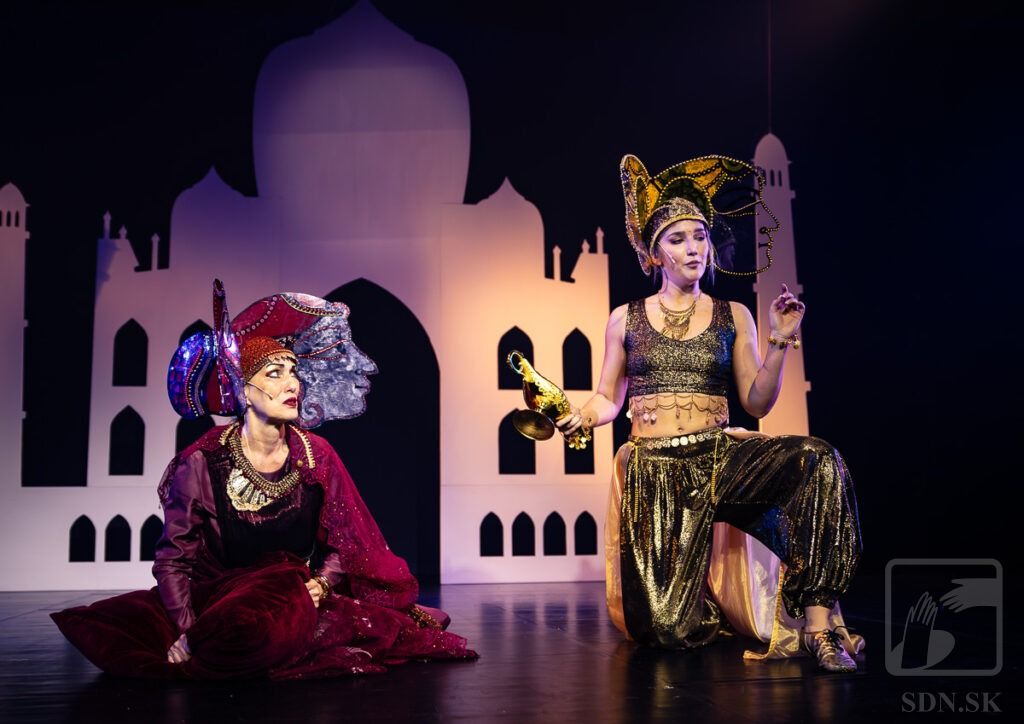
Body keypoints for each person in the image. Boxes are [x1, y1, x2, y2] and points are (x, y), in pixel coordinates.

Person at [52, 282, 476, 679]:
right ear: (243, 390)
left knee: (353, 622)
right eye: (274, 373)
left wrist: (321, 584)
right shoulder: (202, 462)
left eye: (293, 371)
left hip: (291, 595)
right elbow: (174, 560)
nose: (292, 384)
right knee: (141, 631)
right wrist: (189, 629)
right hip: (219, 596)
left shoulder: (316, 454)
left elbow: (345, 540)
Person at [556, 155, 863, 672]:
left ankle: (818, 625)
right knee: (665, 630)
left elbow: (757, 402)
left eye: (699, 236)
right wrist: (582, 416)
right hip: (657, 469)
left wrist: (780, 340)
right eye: (678, 239)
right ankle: (715, 608)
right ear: (655, 254)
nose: (693, 247)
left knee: (817, 459)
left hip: (719, 457)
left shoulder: (732, 314)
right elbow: (608, 396)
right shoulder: (625, 318)